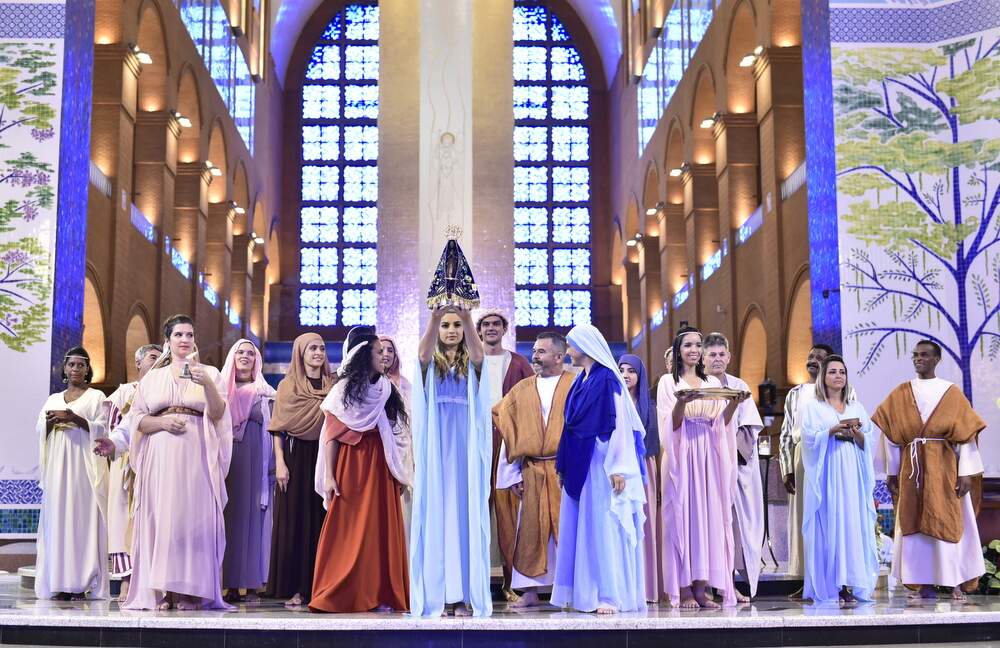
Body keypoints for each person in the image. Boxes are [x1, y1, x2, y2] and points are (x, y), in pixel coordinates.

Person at [122, 314, 232, 610]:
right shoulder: (153, 378)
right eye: (179, 335)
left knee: (193, 519)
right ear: (167, 341)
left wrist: (206, 384)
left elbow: (219, 413)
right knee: (164, 517)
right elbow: (138, 420)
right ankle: (166, 589)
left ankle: (192, 591)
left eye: (189, 335)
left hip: (197, 453)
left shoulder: (210, 373)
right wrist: (163, 423)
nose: (185, 340)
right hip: (161, 455)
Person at [872, 340, 986, 601]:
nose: (918, 359)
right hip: (912, 470)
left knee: (949, 519)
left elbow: (965, 436)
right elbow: (891, 438)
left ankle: (955, 582)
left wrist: (965, 472)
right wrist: (892, 472)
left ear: (936, 359)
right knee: (913, 524)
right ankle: (920, 583)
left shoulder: (951, 392)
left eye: (924, 355)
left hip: (944, 467)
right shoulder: (901, 393)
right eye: (915, 355)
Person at [311, 328, 413, 613]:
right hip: (352, 464)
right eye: (379, 352)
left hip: (381, 466)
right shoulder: (343, 390)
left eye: (386, 352)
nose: (384, 357)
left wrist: (398, 471)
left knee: (379, 530)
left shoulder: (387, 389)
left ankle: (380, 593)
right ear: (364, 355)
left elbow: (398, 431)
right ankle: (343, 593)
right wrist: (330, 476)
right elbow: (331, 435)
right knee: (350, 528)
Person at [552, 323, 647, 614]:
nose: (568, 350)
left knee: (604, 527)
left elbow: (620, 424)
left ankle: (610, 595)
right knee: (586, 529)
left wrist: (619, 467)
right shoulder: (580, 380)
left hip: (603, 465)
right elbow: (569, 427)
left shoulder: (607, 380)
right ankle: (588, 592)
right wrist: (563, 464)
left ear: (585, 347)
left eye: (571, 344)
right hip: (582, 462)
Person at [409, 304, 492, 617]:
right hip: (437, 448)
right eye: (446, 325)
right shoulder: (429, 365)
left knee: (463, 514)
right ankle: (439, 595)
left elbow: (480, 356)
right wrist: (434, 317)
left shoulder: (472, 364)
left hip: (465, 449)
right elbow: (421, 355)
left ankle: (462, 596)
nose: (452, 331)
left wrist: (468, 317)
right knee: (439, 514)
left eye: (456, 325)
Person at [658, 327, 744, 608]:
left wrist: (734, 403)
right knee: (682, 516)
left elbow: (721, 423)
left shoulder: (711, 382)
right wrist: (681, 404)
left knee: (707, 519)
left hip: (708, 454)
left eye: (697, 345)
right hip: (682, 453)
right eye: (688, 345)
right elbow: (670, 425)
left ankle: (700, 588)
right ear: (678, 350)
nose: (694, 350)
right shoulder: (668, 383)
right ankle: (682, 588)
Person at [492, 332, 575, 608]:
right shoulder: (522, 389)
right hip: (532, 470)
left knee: (568, 529)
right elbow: (508, 429)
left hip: (564, 471)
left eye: (541, 351)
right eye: (535, 351)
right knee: (529, 531)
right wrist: (512, 474)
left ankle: (570, 590)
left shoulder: (575, 384)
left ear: (559, 356)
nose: (535, 356)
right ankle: (529, 591)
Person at [800, 354, 878, 604]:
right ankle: (832, 585)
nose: (838, 376)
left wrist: (856, 434)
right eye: (832, 371)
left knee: (850, 524)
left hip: (852, 474)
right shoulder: (813, 408)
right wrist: (831, 431)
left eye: (842, 372)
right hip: (828, 474)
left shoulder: (857, 407)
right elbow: (808, 440)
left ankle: (850, 582)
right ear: (823, 377)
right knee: (830, 523)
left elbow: (869, 440)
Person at [267, 332, 335, 607]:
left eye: (321, 348)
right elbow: (278, 428)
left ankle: (320, 585)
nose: (318, 353)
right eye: (312, 348)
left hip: (325, 455)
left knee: (321, 520)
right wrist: (280, 463)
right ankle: (296, 588)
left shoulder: (333, 385)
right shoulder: (288, 386)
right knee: (296, 522)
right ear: (300, 353)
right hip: (295, 457)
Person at [35, 347, 109, 601]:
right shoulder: (53, 399)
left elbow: (104, 429)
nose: (76, 369)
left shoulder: (96, 397)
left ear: (88, 369)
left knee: (81, 521)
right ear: (64, 369)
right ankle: (58, 581)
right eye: (72, 364)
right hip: (58, 469)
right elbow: (39, 429)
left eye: (81, 365)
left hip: (83, 469)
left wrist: (75, 419)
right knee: (57, 521)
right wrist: (49, 423)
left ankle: (81, 582)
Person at [94, 343, 163, 602]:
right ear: (138, 363)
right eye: (153, 357)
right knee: (122, 520)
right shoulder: (124, 392)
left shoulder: (165, 390)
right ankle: (126, 581)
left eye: (161, 358)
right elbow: (113, 428)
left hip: (155, 462)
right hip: (125, 464)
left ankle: (155, 581)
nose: (157, 362)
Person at [477, 309, 534, 600]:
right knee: (474, 510)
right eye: (486, 324)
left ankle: (512, 582)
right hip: (475, 442)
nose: (491, 328)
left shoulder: (519, 363)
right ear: (478, 331)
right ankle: (471, 583)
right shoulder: (468, 361)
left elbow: (531, 401)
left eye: (496, 324)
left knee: (509, 513)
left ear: (504, 329)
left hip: (507, 445)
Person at [703, 333, 764, 602]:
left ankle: (727, 583)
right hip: (703, 466)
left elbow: (749, 427)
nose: (717, 359)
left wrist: (729, 453)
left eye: (721, 354)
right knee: (706, 527)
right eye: (712, 355)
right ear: (703, 358)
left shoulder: (739, 386)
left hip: (734, 467)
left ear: (729, 357)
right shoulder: (697, 385)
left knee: (733, 528)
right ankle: (703, 585)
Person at [219, 339, 276, 603]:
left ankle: (253, 583)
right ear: (232, 357)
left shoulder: (266, 392)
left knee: (254, 518)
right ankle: (229, 584)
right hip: (227, 459)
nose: (245, 356)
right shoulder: (220, 391)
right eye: (240, 352)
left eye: (250, 353)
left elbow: (274, 429)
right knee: (229, 518)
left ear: (257, 360)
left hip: (255, 458)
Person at [779, 343, 839, 591]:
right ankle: (805, 580)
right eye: (810, 356)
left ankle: (834, 580)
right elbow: (786, 433)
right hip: (802, 457)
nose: (813, 360)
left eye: (819, 357)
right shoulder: (795, 393)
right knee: (803, 518)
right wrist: (787, 468)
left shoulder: (840, 391)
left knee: (831, 516)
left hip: (832, 456)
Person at [618, 354, 661, 604]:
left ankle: (645, 587)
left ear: (640, 375)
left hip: (644, 466)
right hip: (619, 469)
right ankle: (623, 587)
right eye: (622, 370)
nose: (626, 375)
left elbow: (653, 444)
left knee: (644, 524)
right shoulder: (613, 401)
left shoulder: (648, 406)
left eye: (631, 371)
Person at [379, 334, 412, 404]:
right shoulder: (369, 381)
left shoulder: (404, 382)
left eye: (390, 350)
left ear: (395, 356)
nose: (386, 354)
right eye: (381, 350)